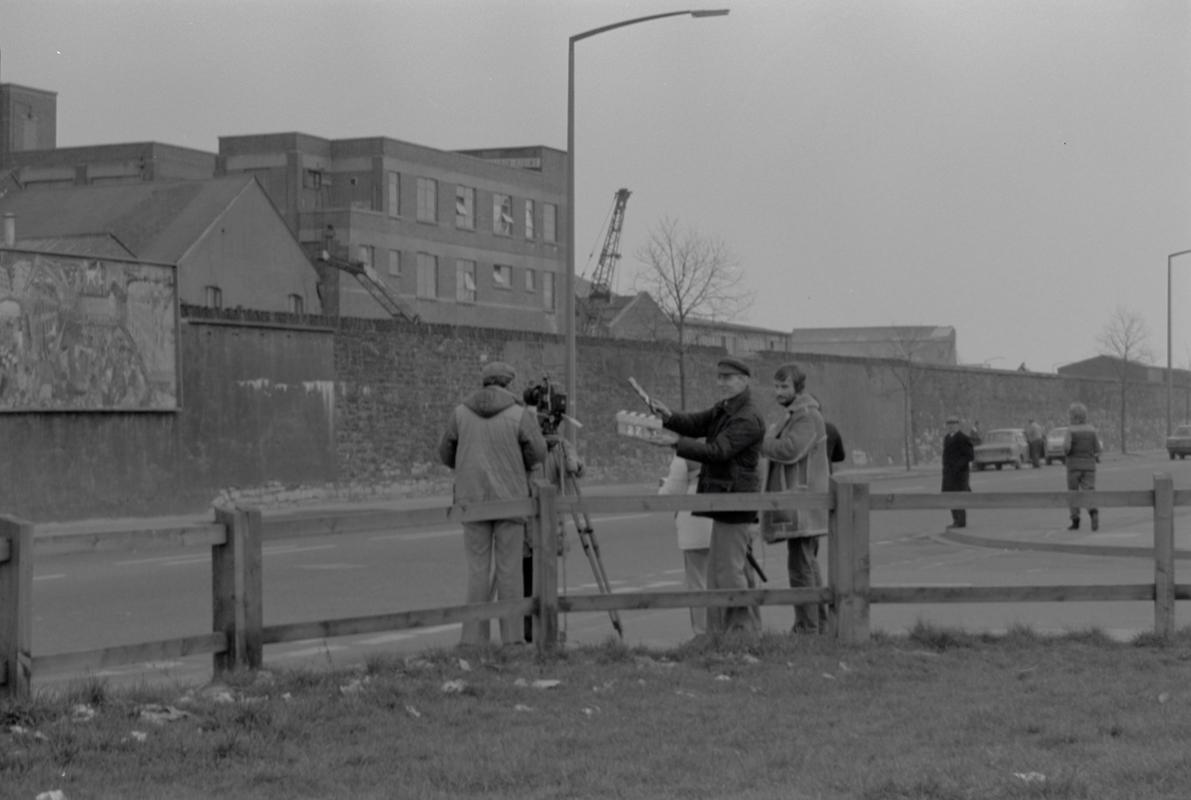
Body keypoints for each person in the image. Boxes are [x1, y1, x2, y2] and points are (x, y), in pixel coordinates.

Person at [647, 356, 766, 634]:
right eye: (720, 377)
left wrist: (677, 442)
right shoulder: (727, 409)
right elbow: (698, 423)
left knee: (728, 572)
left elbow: (718, 451)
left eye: (728, 378)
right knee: (728, 571)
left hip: (735, 500)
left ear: (744, 380)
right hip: (727, 498)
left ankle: (740, 632)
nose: (721, 383)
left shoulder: (747, 417)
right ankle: (738, 632)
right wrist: (669, 417)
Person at [438, 361, 547, 646]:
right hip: (510, 501)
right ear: (508, 384)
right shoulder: (518, 414)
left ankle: (474, 640)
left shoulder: (460, 413)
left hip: (471, 500)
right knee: (510, 571)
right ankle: (512, 640)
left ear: (484, 383)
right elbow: (537, 455)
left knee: (477, 571)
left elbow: (445, 453)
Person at [759, 363, 830, 634]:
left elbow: (790, 450)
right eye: (776, 386)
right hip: (799, 504)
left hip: (803, 504)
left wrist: (760, 441)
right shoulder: (794, 415)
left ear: (797, 387)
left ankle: (808, 628)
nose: (778, 391)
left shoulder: (806, 416)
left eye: (784, 386)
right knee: (805, 564)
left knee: (802, 567)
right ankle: (818, 625)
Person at [657, 455, 712, 634]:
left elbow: (672, 492)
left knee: (697, 583)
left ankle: (702, 632)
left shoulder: (686, 455)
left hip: (694, 524)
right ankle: (723, 632)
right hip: (722, 523)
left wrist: (661, 488)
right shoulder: (722, 444)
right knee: (720, 581)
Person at [1063, 402, 1102, 531]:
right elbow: (1098, 448)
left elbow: (1067, 447)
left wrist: (1067, 453)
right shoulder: (1092, 429)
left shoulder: (1070, 430)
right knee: (1089, 490)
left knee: (1073, 492)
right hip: (1089, 466)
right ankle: (1093, 511)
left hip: (1073, 466)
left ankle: (1075, 520)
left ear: (1073, 417)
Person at [941, 415, 974, 528]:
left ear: (957, 425)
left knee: (959, 498)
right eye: (949, 425)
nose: (951, 427)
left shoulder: (963, 438)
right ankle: (955, 520)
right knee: (950, 497)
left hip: (960, 474)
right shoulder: (947, 438)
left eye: (953, 424)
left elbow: (970, 456)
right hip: (948, 474)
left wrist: (958, 466)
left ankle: (961, 521)